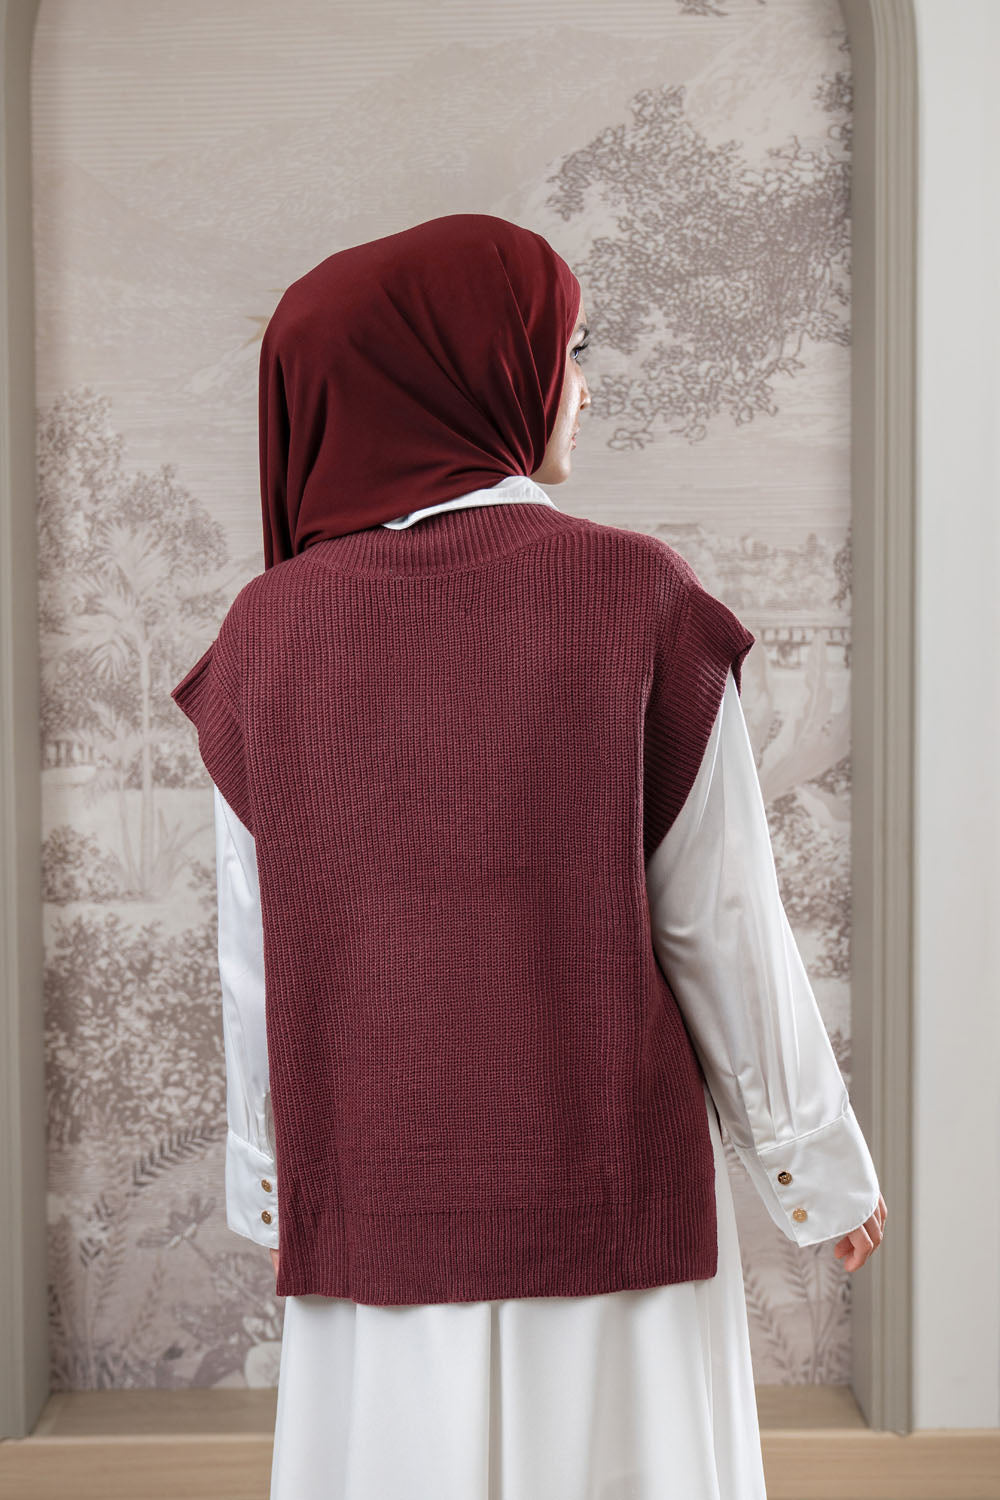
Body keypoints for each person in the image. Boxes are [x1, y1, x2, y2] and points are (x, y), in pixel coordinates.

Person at [174, 213, 886, 1500]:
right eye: (570, 349)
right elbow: (719, 919)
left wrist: (279, 1189)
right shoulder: (636, 596)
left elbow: (254, 960)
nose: (585, 384)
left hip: (375, 1203)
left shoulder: (265, 633)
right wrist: (811, 1165)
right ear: (479, 370)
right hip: (606, 1206)